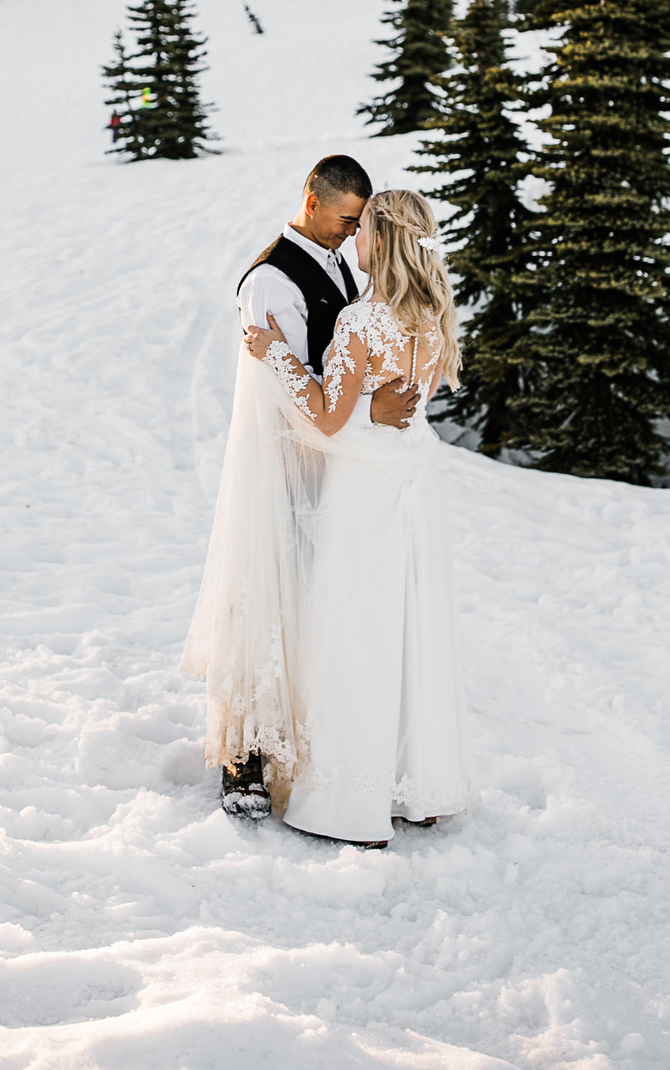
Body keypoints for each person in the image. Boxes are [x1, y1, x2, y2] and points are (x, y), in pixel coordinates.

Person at [240, 188, 477, 845]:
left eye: (365, 229)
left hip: (365, 491)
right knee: (411, 628)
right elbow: (399, 407)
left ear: (384, 241)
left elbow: (323, 416)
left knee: (354, 630)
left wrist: (275, 352)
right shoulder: (432, 319)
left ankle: (351, 802)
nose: (355, 240)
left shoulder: (360, 321)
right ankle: (420, 790)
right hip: (414, 481)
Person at [202, 153, 418, 821]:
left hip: (331, 462)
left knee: (307, 612)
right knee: (264, 601)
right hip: (282, 464)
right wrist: (367, 415)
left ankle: (305, 741)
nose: (353, 236)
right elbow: (286, 394)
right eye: (345, 220)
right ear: (312, 198)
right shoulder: (271, 280)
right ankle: (245, 757)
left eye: (360, 226)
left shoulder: (336, 259)